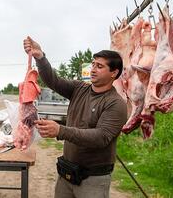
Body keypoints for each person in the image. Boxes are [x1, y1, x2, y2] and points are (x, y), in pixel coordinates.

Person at [23, 36, 127, 198]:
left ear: (114, 73)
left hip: (93, 178)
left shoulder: (115, 103)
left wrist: (60, 130)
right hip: (67, 172)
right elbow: (53, 81)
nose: (93, 69)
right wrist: (40, 57)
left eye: (99, 66)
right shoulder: (79, 88)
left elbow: (101, 137)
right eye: (93, 64)